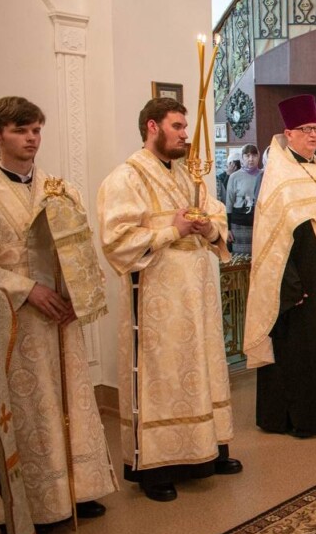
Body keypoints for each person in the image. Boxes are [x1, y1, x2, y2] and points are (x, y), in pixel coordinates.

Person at [0, 96, 116, 532]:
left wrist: (80, 295)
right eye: (21, 131)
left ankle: (78, 489)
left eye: (36, 130)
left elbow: (82, 247)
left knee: (70, 397)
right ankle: (33, 504)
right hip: (16, 320)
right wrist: (27, 289)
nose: (31, 139)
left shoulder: (60, 188)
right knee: (30, 407)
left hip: (61, 314)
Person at [98, 97, 241, 502]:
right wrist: (172, 231)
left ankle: (208, 451)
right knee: (164, 374)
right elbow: (116, 241)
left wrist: (209, 229)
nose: (184, 135)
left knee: (202, 367)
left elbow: (218, 217)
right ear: (152, 126)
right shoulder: (125, 178)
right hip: (157, 297)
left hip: (199, 295)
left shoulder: (189, 176)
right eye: (177, 126)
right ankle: (157, 468)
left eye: (185, 127)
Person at [244, 95, 316, 438]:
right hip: (302, 285)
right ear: (288, 133)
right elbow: (272, 241)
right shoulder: (278, 178)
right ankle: (301, 417)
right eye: (305, 129)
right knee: (303, 350)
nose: (312, 135)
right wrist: (290, 286)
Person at [225, 143, 260, 256]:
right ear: (242, 158)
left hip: (259, 223)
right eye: (247, 156)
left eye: (254, 155)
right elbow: (229, 203)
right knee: (240, 259)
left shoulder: (264, 175)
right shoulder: (234, 177)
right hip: (239, 224)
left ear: (258, 157)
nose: (251, 159)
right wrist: (228, 228)